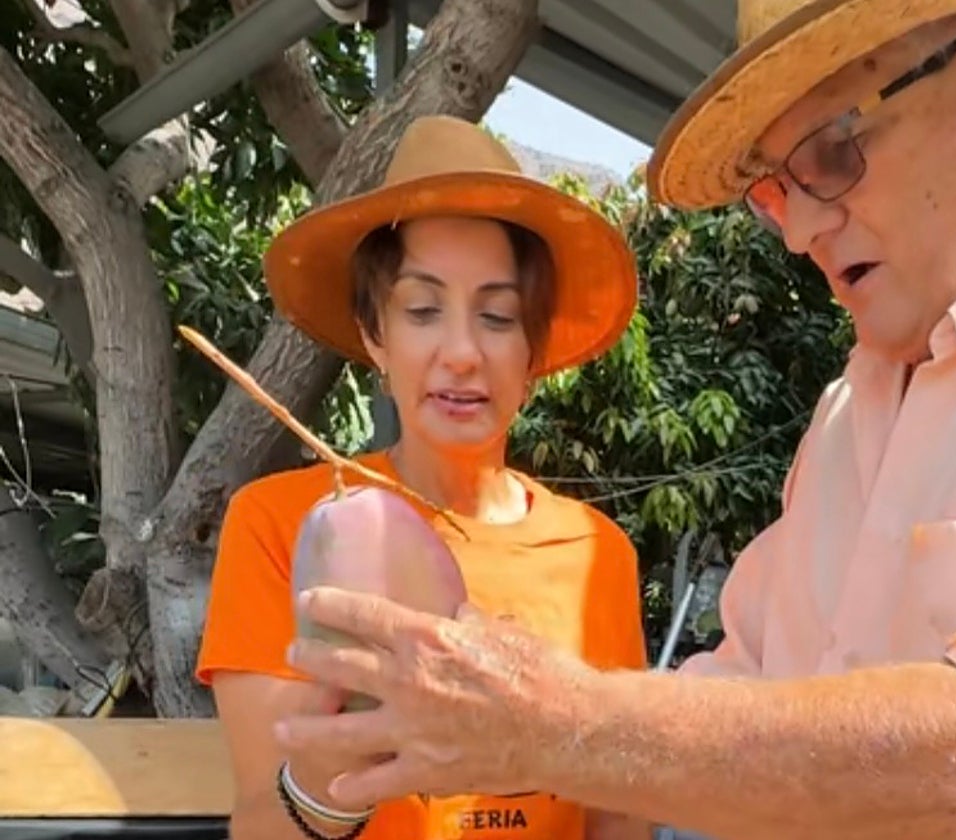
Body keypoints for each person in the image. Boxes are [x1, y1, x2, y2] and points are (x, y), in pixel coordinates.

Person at [271, 1, 956, 839]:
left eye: (833, 154)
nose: (798, 232)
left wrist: (552, 721)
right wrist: (390, 754)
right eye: (772, 192)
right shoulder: (846, 417)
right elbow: (738, 702)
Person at [194, 114, 652, 840]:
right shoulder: (280, 523)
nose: (463, 352)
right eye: (423, 310)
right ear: (375, 333)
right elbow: (262, 821)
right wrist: (349, 758)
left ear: (534, 349)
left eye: (499, 317)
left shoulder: (599, 553)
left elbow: (616, 820)